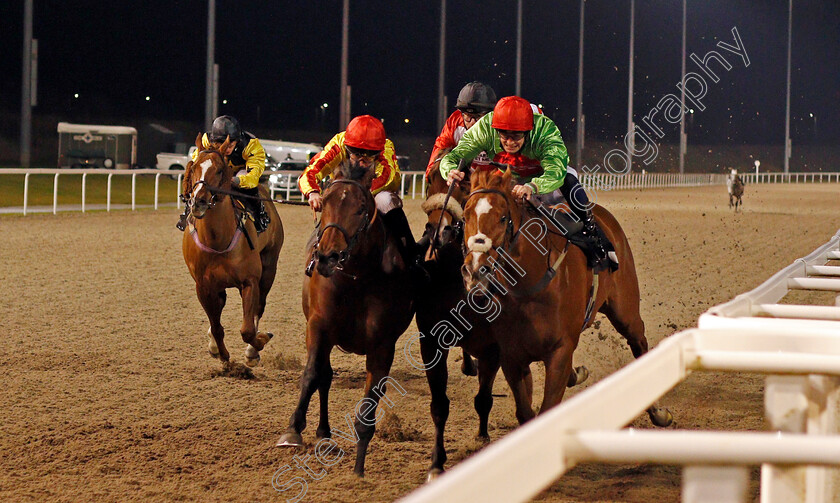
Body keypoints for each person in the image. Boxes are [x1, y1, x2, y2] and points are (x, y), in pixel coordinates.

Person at [439, 96, 615, 268]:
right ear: (496, 129)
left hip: (544, 176)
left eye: (516, 136)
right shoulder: (485, 128)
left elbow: (556, 172)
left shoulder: (545, 131)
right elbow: (454, 156)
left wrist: (533, 186)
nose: (509, 142)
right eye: (504, 135)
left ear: (528, 130)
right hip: (510, 175)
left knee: (569, 179)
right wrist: (449, 170)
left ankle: (592, 232)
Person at [299, 115, 418, 276]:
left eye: (369, 156)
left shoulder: (385, 146)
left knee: (387, 201)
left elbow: (388, 177)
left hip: (373, 193)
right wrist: (312, 192)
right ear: (348, 148)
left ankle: (411, 256)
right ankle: (319, 253)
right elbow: (311, 171)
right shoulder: (339, 142)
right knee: (335, 205)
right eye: (356, 154)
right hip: (344, 195)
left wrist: (358, 194)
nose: (362, 160)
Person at [176, 115, 271, 233]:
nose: (226, 149)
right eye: (221, 145)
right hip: (217, 171)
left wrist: (237, 181)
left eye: (230, 145)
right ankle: (187, 212)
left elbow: (253, 176)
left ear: (237, 140)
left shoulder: (251, 146)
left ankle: (259, 216)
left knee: (249, 186)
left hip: (239, 173)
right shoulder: (206, 140)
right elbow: (197, 161)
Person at [426, 81, 498, 178]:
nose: (473, 123)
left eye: (478, 117)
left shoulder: (500, 127)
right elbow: (440, 150)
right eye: (468, 116)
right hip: (466, 176)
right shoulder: (455, 121)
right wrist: (430, 176)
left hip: (495, 178)